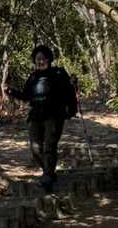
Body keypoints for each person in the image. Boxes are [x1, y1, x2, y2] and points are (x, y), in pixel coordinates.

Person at [6, 44, 78, 192]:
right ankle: (49, 172)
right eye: (37, 59)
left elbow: (69, 91)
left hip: (54, 115)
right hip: (36, 116)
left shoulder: (58, 73)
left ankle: (47, 177)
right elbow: (26, 96)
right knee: (35, 148)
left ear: (49, 59)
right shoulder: (33, 77)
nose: (40, 61)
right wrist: (11, 92)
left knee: (50, 146)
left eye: (43, 58)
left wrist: (72, 105)